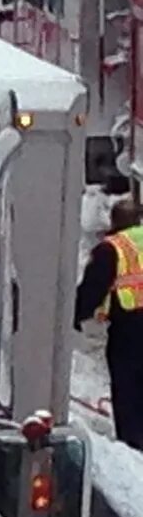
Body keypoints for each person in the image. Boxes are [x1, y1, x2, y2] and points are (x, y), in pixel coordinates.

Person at [77, 188, 143, 449]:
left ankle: (133, 443)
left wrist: (75, 314)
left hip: (130, 326)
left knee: (128, 383)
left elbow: (94, 287)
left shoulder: (113, 248)